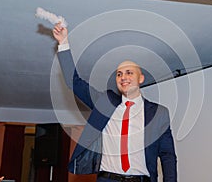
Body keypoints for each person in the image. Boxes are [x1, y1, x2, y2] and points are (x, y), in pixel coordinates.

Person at [53, 23, 177, 182]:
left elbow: (167, 155)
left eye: (129, 73)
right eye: (119, 74)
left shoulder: (159, 113)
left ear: (141, 78)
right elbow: (74, 82)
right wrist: (63, 43)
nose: (123, 77)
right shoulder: (104, 102)